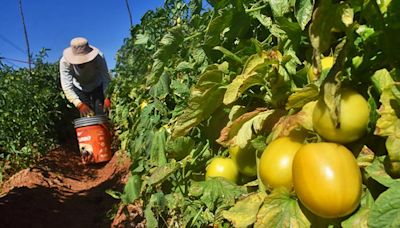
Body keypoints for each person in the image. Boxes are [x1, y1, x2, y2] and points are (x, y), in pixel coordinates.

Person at [59, 37, 111, 117]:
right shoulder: (65, 62)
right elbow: (67, 86)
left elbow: (106, 78)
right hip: (79, 87)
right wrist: (79, 104)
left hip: (97, 84)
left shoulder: (98, 57)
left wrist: (107, 97)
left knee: (101, 113)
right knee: (87, 115)